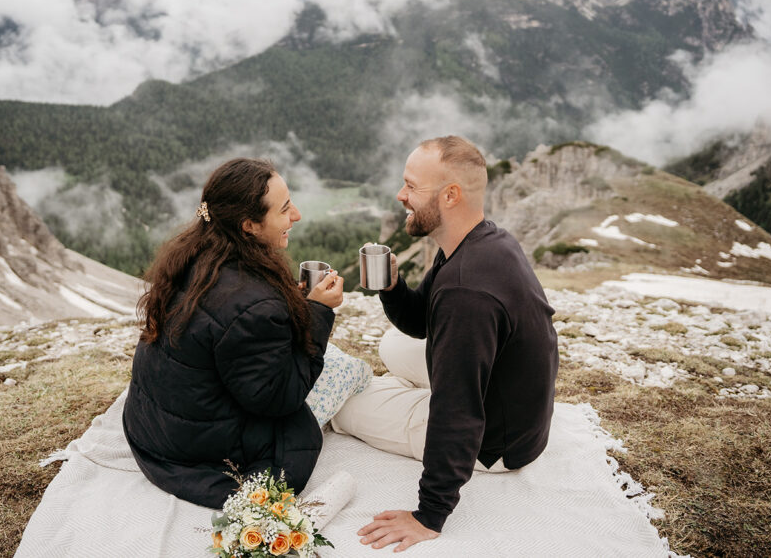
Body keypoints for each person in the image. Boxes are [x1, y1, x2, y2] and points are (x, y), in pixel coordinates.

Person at [332, 136, 559, 551]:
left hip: (497, 441)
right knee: (391, 346)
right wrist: (392, 285)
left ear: (450, 195)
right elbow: (421, 323)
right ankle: (409, 397)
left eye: (411, 186)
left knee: (345, 407)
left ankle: (404, 413)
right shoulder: (480, 240)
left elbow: (458, 409)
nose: (401, 196)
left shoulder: (466, 291)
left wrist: (429, 515)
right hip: (514, 403)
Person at [122, 158, 345, 508]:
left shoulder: (194, 253)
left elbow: (225, 326)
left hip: (151, 427)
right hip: (195, 448)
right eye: (284, 209)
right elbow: (278, 398)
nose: (297, 215)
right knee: (330, 383)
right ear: (249, 226)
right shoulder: (254, 305)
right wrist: (318, 312)